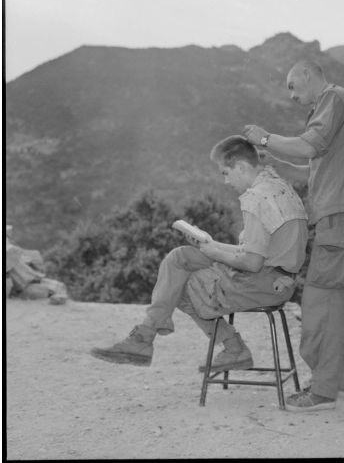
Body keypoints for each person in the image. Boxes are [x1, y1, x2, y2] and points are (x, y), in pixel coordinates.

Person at [91, 136, 308, 375]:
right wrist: (212, 244)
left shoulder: (256, 199)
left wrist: (215, 252)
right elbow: (258, 252)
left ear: (241, 167)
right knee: (179, 257)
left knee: (178, 287)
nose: (226, 181)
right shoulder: (275, 184)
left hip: (262, 283)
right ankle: (145, 337)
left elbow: (252, 262)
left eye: (226, 173)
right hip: (275, 276)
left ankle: (230, 347)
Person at [244, 60, 344, 412]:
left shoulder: (333, 98)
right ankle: (339, 384)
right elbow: (316, 160)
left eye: (293, 86)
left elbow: (310, 146)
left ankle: (321, 393)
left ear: (309, 75)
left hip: (340, 212)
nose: (292, 96)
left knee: (323, 299)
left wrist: (263, 137)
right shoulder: (339, 104)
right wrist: (271, 153)